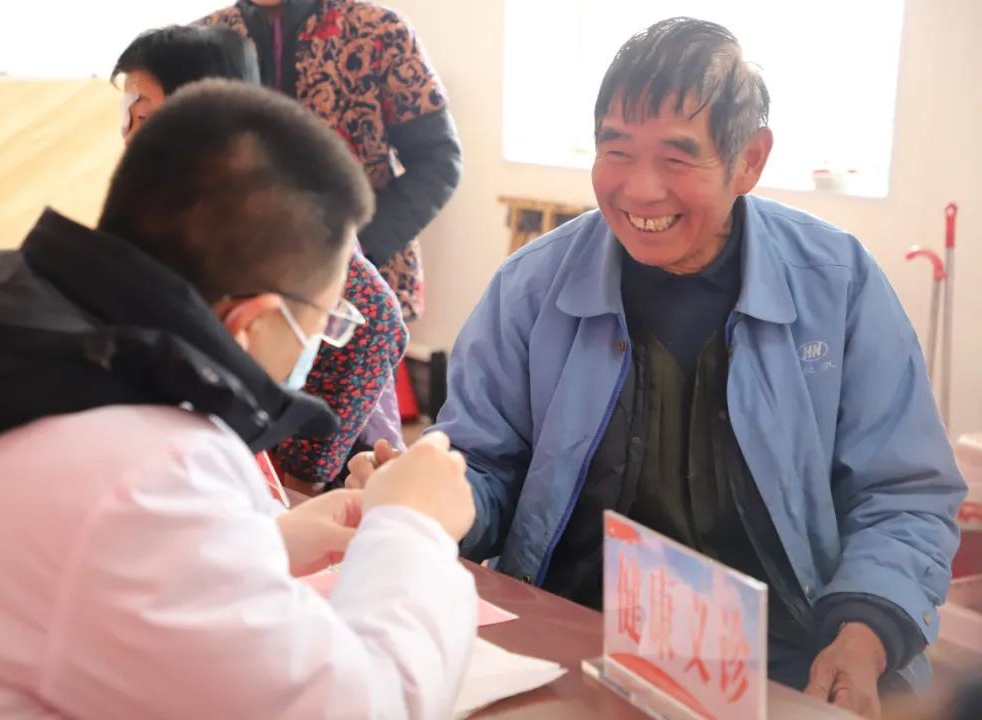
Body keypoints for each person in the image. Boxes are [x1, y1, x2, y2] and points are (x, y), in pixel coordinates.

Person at [386, 17, 963, 718]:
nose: (639, 189)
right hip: (580, 632)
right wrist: (425, 496)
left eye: (677, 158)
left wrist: (865, 634)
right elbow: (482, 461)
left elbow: (903, 492)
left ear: (750, 160)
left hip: (791, 651)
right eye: (616, 151)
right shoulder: (531, 287)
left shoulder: (836, 284)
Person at [0, 80, 476, 718]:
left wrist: (260, 541)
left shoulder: (2, 314)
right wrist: (414, 527)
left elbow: (52, 558)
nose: (322, 342)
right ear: (252, 323)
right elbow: (362, 707)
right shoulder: (149, 471)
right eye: (326, 322)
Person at [113, 24, 409, 489]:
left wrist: (308, 481)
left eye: (147, 120)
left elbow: (373, 319)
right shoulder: (166, 220)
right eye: (127, 121)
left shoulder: (293, 234)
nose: (131, 141)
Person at [198, 0, 463, 323]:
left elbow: (439, 160)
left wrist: (358, 249)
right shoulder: (205, 38)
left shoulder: (379, 30)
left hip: (360, 284)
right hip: (239, 282)